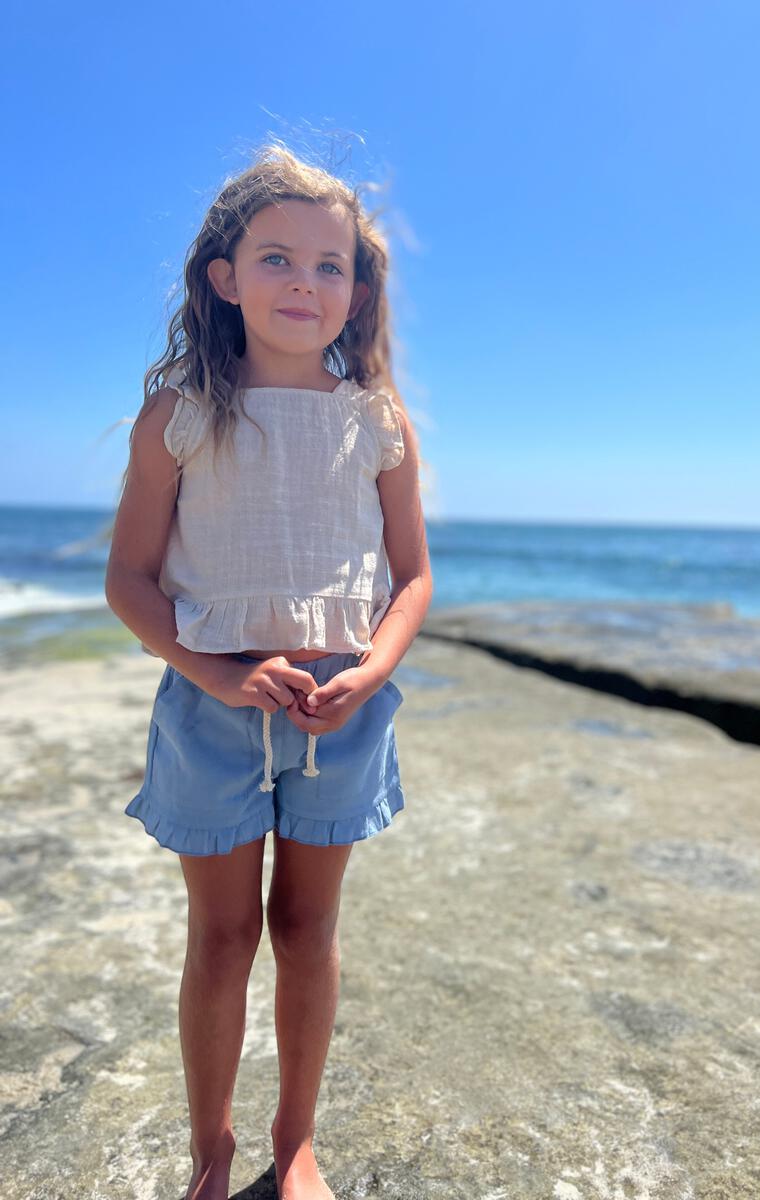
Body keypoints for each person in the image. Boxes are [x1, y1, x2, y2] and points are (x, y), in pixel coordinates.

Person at [105, 142, 433, 1200]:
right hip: (214, 707)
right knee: (223, 933)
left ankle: (296, 1144)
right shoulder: (180, 417)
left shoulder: (376, 422)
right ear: (225, 278)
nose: (305, 282)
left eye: (330, 265)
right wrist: (214, 674)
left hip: (343, 708)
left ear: (357, 291)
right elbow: (130, 581)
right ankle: (212, 1149)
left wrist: (372, 669)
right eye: (277, 258)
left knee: (305, 928)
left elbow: (413, 579)